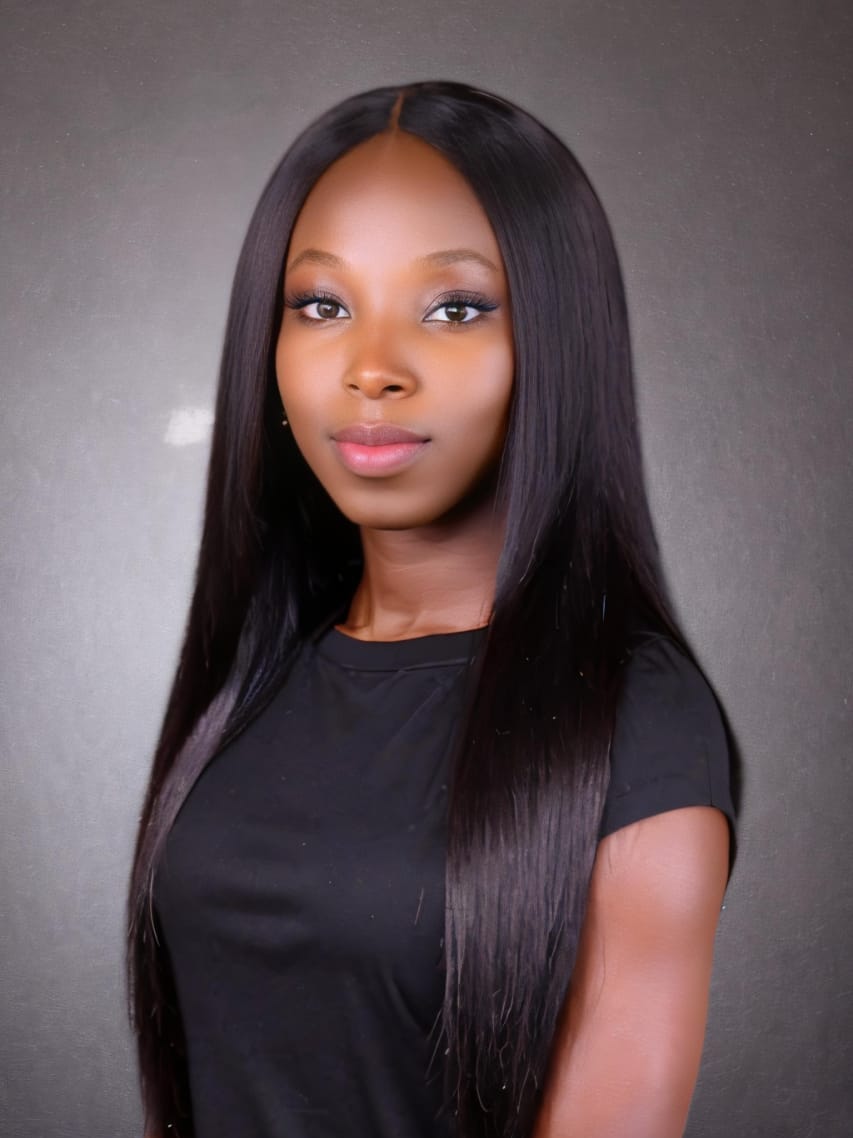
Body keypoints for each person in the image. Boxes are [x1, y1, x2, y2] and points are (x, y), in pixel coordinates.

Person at [127, 80, 736, 1138]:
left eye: (453, 308)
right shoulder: (259, 680)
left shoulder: (636, 730)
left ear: (553, 338)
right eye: (322, 305)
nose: (371, 370)